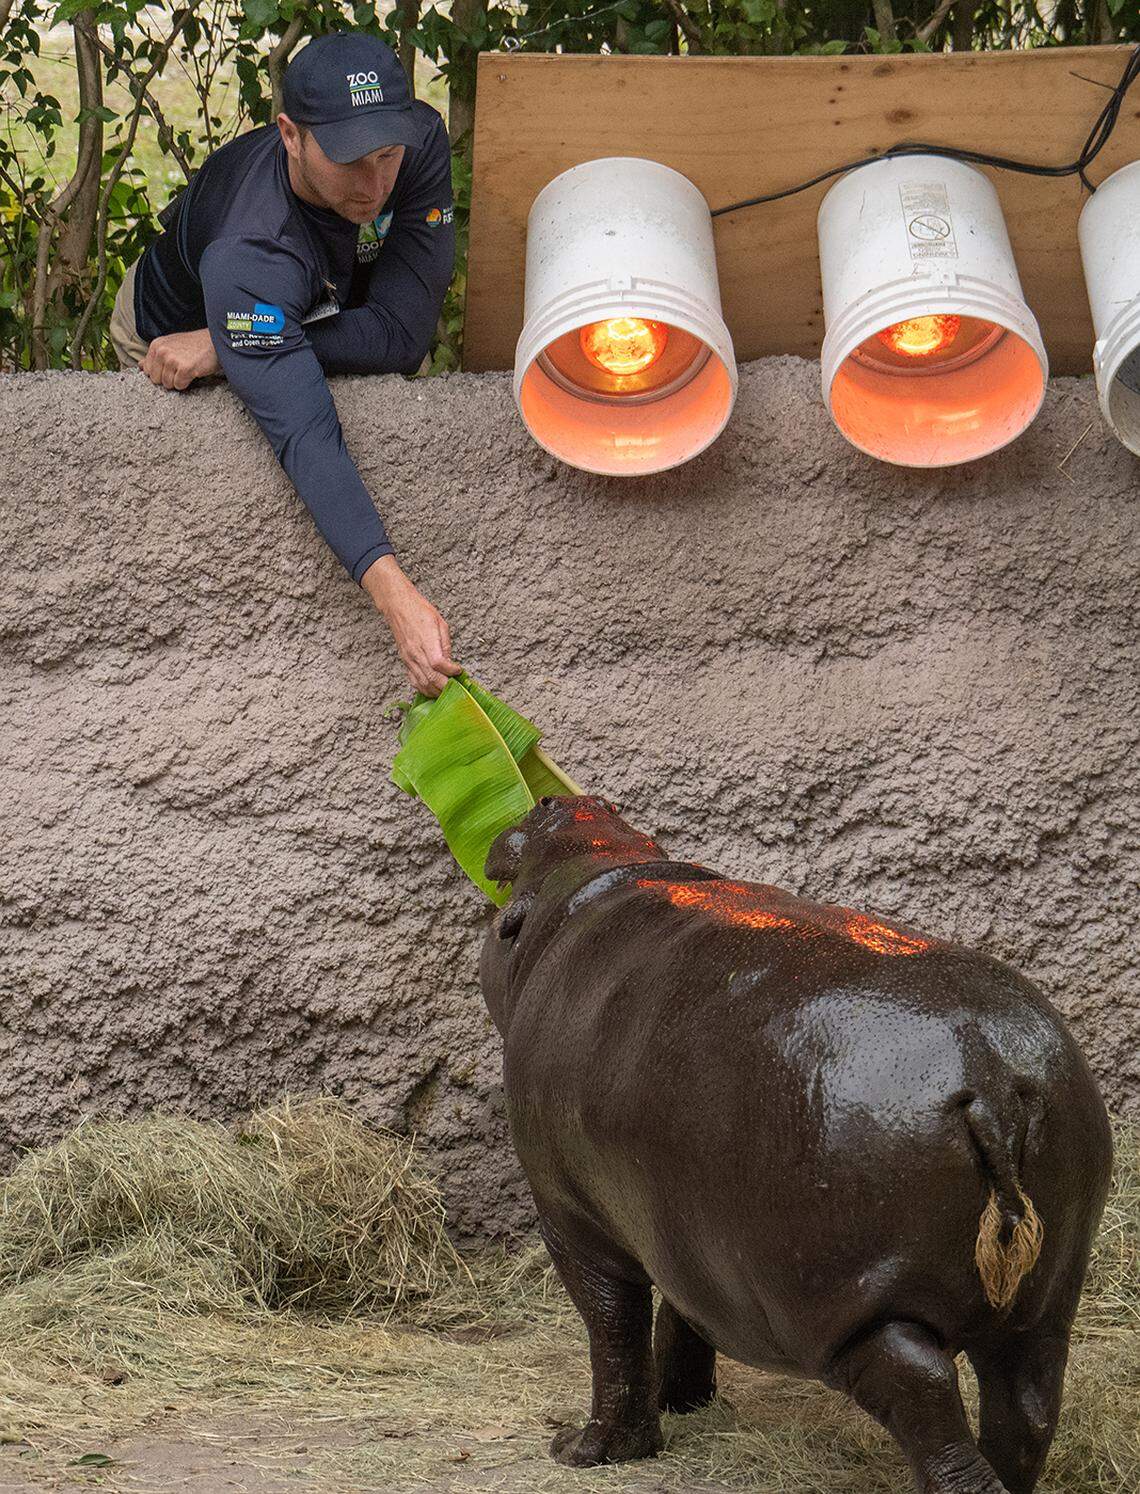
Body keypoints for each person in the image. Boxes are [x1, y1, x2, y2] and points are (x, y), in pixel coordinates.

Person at [108, 32, 461, 697]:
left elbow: (400, 337)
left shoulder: (413, 144)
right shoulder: (252, 245)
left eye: (387, 156)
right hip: (166, 338)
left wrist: (237, 345)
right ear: (290, 135)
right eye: (351, 160)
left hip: (271, 311)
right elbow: (306, 436)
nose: (376, 184)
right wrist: (399, 601)